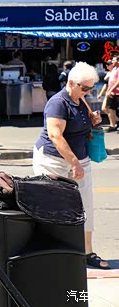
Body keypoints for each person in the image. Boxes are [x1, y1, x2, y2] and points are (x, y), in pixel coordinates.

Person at [32, 62, 108, 269]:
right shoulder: (57, 103)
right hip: (52, 159)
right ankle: (51, 252)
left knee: (85, 204)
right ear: (71, 83)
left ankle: (87, 251)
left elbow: (80, 126)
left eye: (91, 88)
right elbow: (55, 136)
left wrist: (93, 120)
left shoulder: (80, 99)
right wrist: (74, 163)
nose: (88, 92)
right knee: (53, 205)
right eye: (85, 88)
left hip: (80, 157)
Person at [97, 58, 118, 132]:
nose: (107, 66)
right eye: (106, 64)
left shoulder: (116, 71)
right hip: (109, 92)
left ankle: (114, 123)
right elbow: (106, 85)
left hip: (114, 92)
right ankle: (114, 122)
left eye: (108, 64)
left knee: (109, 108)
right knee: (107, 108)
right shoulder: (110, 72)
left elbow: (116, 82)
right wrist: (101, 94)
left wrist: (109, 91)